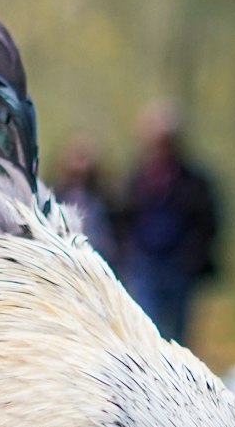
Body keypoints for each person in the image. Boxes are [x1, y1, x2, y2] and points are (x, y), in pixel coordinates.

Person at [118, 103, 221, 345]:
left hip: (179, 266)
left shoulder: (194, 181)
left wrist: (191, 257)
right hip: (144, 264)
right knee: (146, 329)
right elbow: (124, 218)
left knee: (178, 334)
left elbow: (207, 222)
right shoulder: (137, 178)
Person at [52, 134, 118, 267]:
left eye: (84, 158)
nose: (81, 164)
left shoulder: (103, 195)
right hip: (66, 260)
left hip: (101, 259)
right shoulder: (57, 195)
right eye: (77, 157)